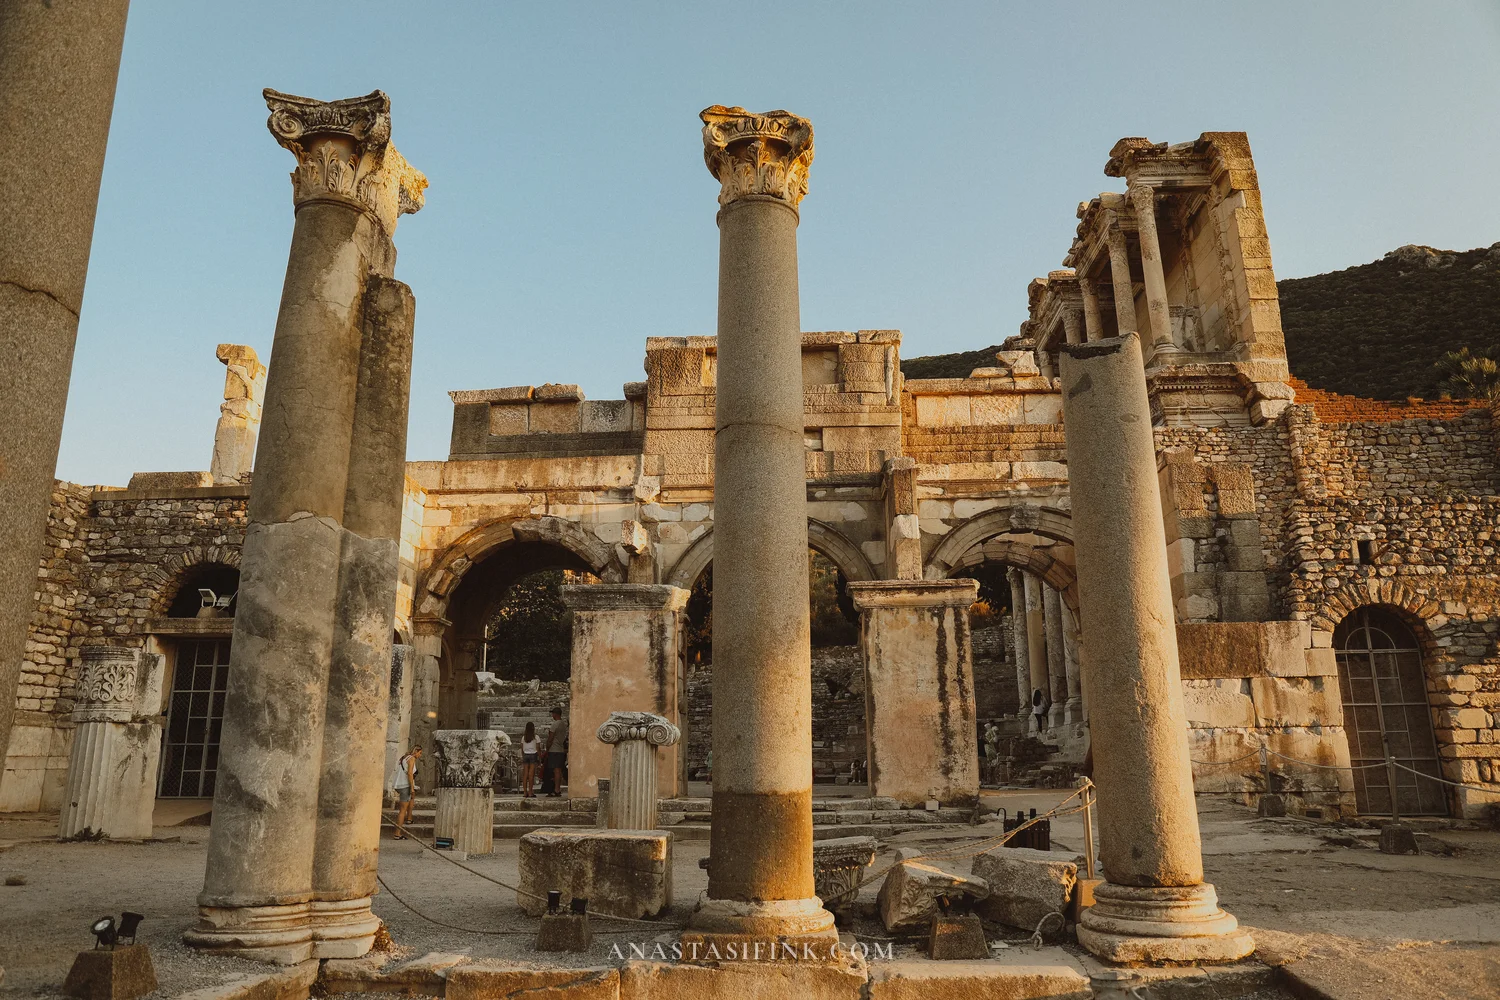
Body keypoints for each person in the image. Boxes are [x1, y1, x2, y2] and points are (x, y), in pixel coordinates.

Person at [392, 745, 421, 838]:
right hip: (405, 785)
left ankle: (409, 818)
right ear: (416, 751)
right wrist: (412, 788)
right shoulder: (412, 758)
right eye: (420, 753)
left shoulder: (403, 758)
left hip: (398, 784)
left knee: (411, 798)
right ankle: (397, 833)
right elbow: (409, 773)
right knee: (402, 811)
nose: (420, 755)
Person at [543, 706, 568, 797]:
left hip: (554, 750)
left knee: (555, 770)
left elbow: (550, 737)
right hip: (560, 749)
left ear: (555, 714)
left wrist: (547, 748)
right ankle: (557, 788)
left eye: (553, 713)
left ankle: (556, 789)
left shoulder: (555, 724)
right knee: (559, 770)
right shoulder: (563, 724)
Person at [520, 721, 540, 798]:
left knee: (525, 774)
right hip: (533, 755)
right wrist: (539, 757)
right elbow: (538, 748)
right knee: (531, 774)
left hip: (525, 754)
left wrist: (523, 755)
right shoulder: (536, 737)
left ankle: (525, 792)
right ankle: (530, 792)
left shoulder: (523, 738)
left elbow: (522, 748)